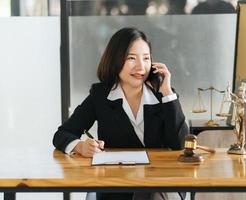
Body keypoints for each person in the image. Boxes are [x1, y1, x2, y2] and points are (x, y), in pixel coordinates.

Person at [53, 27, 188, 200]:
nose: (141, 66)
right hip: (117, 187)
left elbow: (181, 144)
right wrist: (80, 146)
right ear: (115, 60)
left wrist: (168, 92)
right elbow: (62, 134)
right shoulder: (100, 95)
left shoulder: (163, 94)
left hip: (160, 182)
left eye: (146, 58)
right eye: (131, 58)